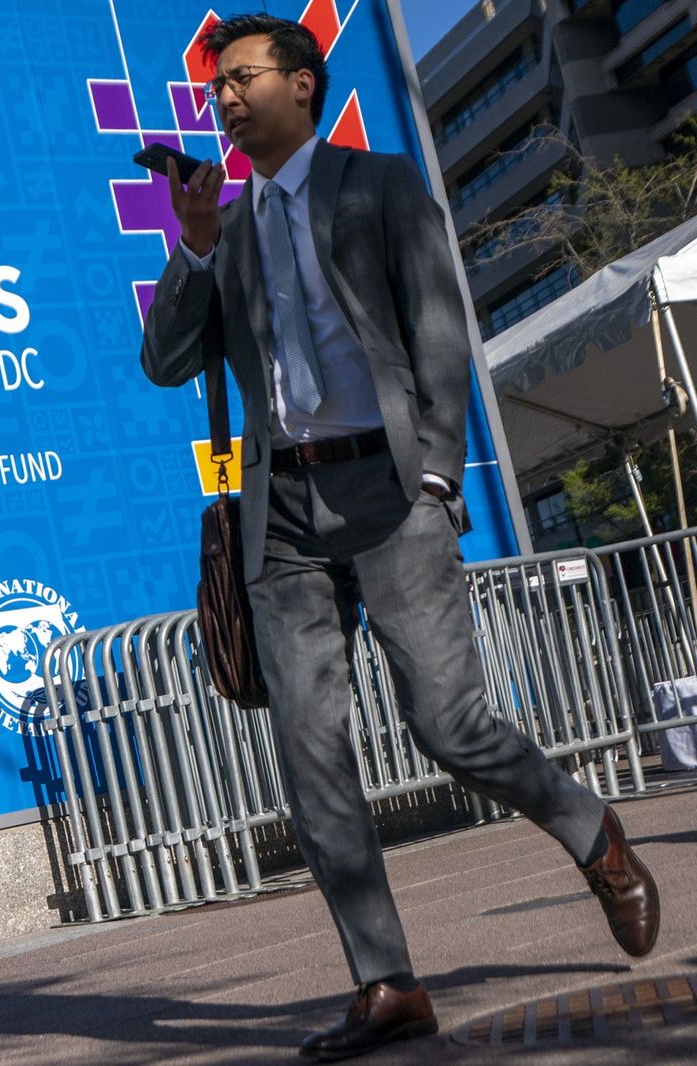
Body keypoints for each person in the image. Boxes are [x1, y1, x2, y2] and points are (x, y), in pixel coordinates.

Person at [140, 13, 660, 1061]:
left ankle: (590, 831)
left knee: (446, 722)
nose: (226, 101)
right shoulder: (226, 229)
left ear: (302, 86)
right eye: (216, 91)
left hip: (389, 491)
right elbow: (162, 360)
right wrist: (193, 251)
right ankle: (385, 981)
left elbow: (434, 331)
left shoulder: (378, 189)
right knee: (309, 748)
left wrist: (432, 472)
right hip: (280, 510)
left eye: (242, 80)